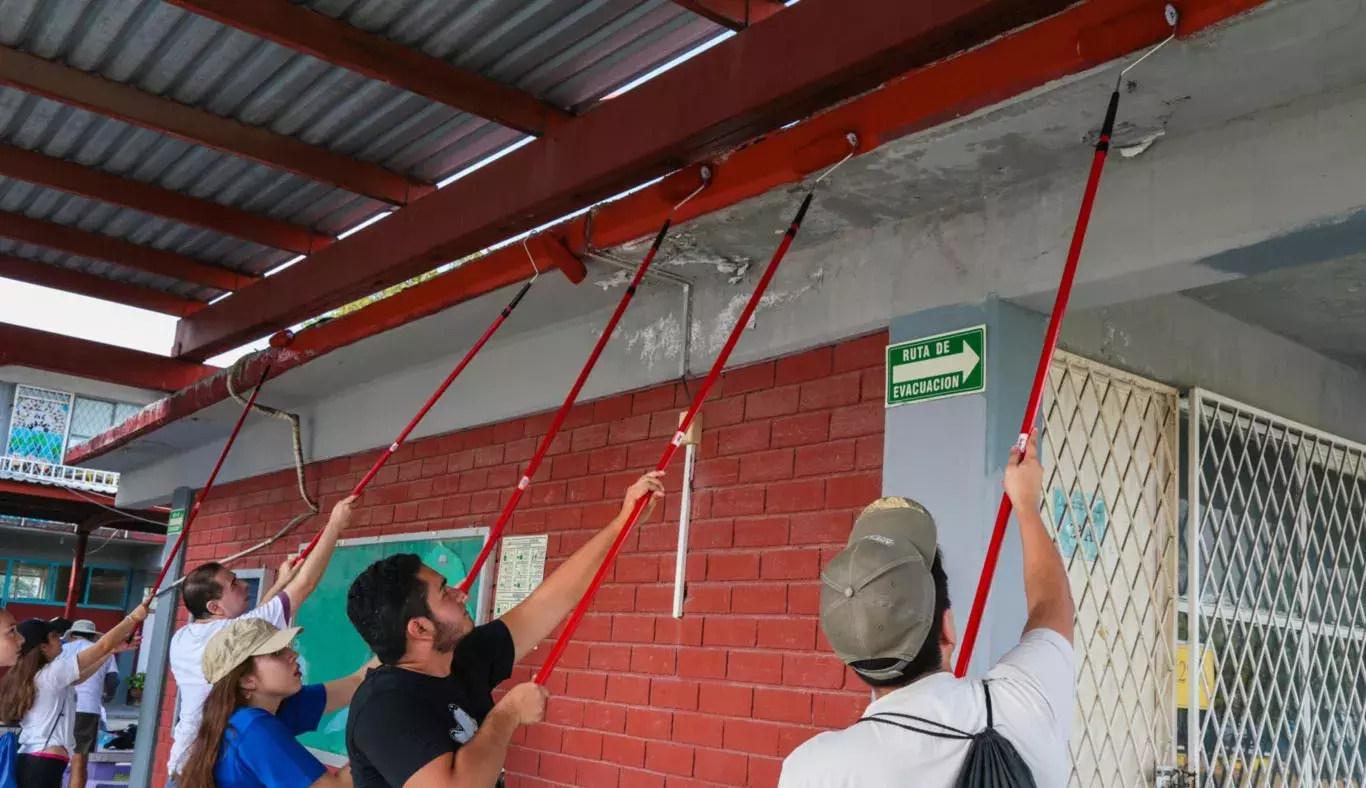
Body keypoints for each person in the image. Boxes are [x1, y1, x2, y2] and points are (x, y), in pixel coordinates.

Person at [779, 430, 1076, 787]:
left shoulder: (818, 771)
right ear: (947, 630)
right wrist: (1025, 503)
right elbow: (1052, 604)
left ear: (852, 657)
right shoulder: (1027, 698)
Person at [345, 471, 667, 788]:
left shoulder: (461, 656)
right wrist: (509, 712)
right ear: (420, 629)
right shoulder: (382, 707)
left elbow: (546, 604)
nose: (461, 594)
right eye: (444, 592)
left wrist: (623, 523)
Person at [167, 495, 360, 781]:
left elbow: (253, 629)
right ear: (214, 607)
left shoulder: (182, 638)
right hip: (207, 769)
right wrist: (334, 526)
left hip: (185, 764)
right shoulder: (251, 728)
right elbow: (304, 586)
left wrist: (281, 582)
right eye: (233, 584)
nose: (244, 585)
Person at [178, 618, 376, 788]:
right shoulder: (252, 728)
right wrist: (383, 739)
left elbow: (357, 682)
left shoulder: (276, 704)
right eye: (276, 652)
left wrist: (396, 647)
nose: (293, 655)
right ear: (247, 680)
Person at [0, 604, 147, 788]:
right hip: (42, 763)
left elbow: (81, 675)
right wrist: (132, 618)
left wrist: (111, 651)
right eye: (54, 636)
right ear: (43, 647)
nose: (60, 641)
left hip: (37, 760)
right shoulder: (52, 673)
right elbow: (101, 646)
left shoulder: (39, 675)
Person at [59, 621, 121, 788]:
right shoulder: (104, 653)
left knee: (57, 755)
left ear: (71, 635)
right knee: (80, 759)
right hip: (88, 709)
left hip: (61, 710)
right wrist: (108, 696)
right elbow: (114, 680)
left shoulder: (63, 650)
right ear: (94, 637)